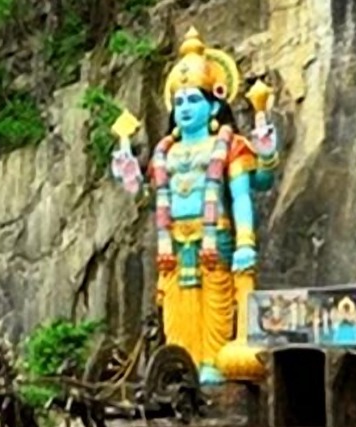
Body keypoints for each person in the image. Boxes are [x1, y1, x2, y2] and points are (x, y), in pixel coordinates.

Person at [110, 28, 279, 384]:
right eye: (180, 102)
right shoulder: (165, 153)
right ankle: (179, 369)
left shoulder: (229, 145)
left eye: (193, 100)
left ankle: (211, 371)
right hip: (173, 245)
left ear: (214, 103)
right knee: (176, 311)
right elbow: (151, 198)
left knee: (215, 307)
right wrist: (131, 177)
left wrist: (245, 244)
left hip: (215, 240)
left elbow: (244, 194)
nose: (185, 108)